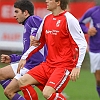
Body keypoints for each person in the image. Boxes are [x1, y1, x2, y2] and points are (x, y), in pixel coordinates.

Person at [17, 0, 87, 99]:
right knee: (22, 81)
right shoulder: (47, 18)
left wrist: (77, 66)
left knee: (47, 93)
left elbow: (82, 44)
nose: (46, 1)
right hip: (48, 64)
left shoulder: (70, 19)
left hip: (63, 66)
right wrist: (24, 57)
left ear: (58, 2)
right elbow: (39, 42)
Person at [0, 0, 47, 100]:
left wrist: (34, 35)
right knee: (1, 74)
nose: (14, 15)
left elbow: (41, 26)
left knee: (9, 91)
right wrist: (12, 58)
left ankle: (19, 88)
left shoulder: (32, 19)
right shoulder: (26, 25)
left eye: (16, 12)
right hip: (28, 63)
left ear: (25, 12)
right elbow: (27, 54)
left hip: (35, 66)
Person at [79, 5, 100, 97]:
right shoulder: (93, 12)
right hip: (96, 49)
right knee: (99, 79)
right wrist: (88, 30)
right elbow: (80, 24)